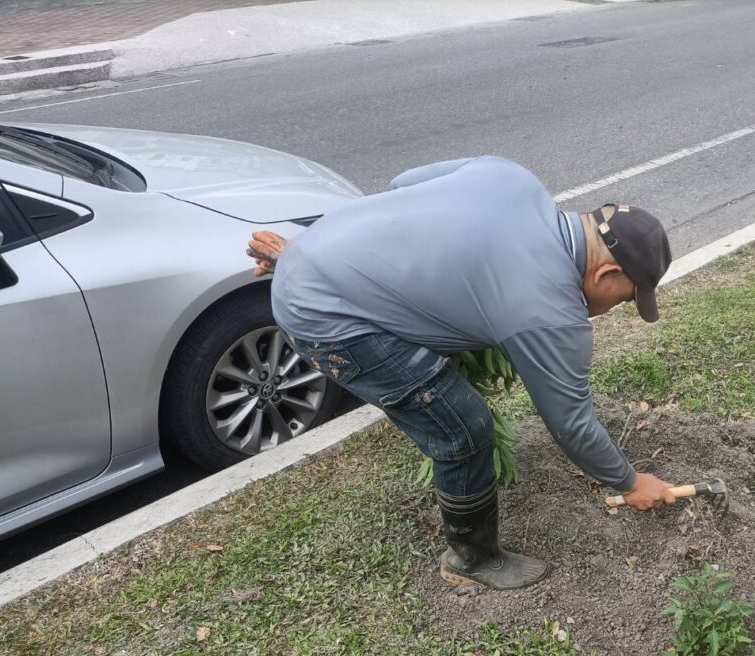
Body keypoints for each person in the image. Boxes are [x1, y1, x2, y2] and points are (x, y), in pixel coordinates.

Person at [246, 156, 677, 591]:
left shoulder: (512, 177)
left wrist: (328, 262)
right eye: (625, 299)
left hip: (313, 250)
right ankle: (470, 560)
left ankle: (320, 275)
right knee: (463, 429)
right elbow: (572, 423)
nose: (611, 309)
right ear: (608, 272)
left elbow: (402, 184)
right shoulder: (549, 312)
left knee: (449, 404)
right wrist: (631, 482)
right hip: (330, 322)